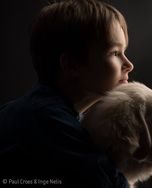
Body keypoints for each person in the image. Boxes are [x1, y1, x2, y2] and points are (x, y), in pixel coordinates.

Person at [0, 0, 134, 187]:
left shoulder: (36, 111)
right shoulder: (49, 121)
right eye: (115, 53)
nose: (129, 65)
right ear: (71, 65)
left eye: (124, 52)